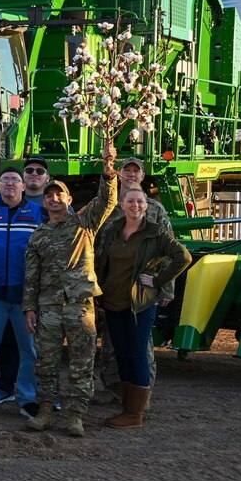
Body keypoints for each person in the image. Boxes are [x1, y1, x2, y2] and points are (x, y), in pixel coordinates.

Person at [23, 150, 118, 437]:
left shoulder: (83, 223)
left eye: (58, 194)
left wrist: (108, 171)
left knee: (81, 362)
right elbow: (31, 276)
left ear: (68, 199)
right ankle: (46, 411)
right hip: (49, 307)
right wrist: (29, 307)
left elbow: (107, 201)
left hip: (79, 305)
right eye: (49, 196)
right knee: (46, 363)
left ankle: (75, 415)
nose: (53, 199)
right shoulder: (38, 234)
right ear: (44, 200)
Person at [94, 188, 190, 429]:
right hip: (113, 302)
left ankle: (134, 413)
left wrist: (159, 282)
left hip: (139, 304)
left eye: (140, 202)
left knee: (137, 354)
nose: (135, 205)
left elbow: (182, 257)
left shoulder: (155, 232)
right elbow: (101, 261)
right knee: (122, 353)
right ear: (123, 205)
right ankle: (126, 407)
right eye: (130, 201)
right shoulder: (114, 230)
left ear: (146, 206)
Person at [94, 156, 172, 406]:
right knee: (110, 342)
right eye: (125, 171)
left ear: (142, 176)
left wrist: (165, 288)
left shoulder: (153, 208)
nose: (130, 175)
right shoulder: (107, 206)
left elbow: (169, 250)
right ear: (118, 175)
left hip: (142, 288)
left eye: (134, 171)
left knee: (140, 347)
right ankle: (114, 388)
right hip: (111, 285)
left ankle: (141, 396)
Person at [0, 166, 44, 420]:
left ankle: (27, 398)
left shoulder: (38, 213)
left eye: (15, 180)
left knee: (29, 349)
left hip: (26, 297)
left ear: (24, 186)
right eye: (5, 180)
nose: (10, 184)